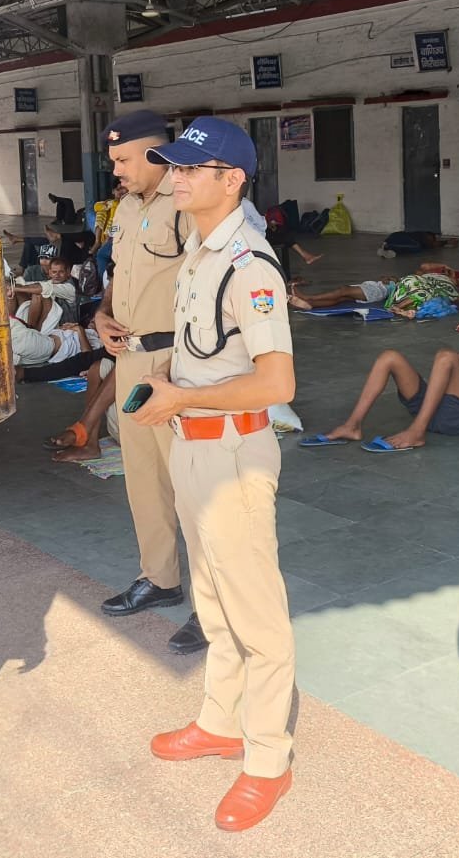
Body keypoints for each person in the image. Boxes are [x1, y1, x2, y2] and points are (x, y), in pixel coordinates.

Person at [134, 116, 298, 832]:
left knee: (257, 614)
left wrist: (183, 397)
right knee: (213, 598)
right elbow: (209, 355)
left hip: (233, 452)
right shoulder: (201, 254)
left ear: (231, 180)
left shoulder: (250, 265)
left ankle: (267, 760)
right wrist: (172, 382)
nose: (174, 178)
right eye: (172, 167)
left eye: (188, 169)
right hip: (193, 444)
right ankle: (220, 722)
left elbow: (277, 382)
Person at [89, 111, 207, 655]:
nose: (116, 170)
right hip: (131, 358)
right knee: (143, 478)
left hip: (176, 362)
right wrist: (101, 315)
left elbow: (211, 285)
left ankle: (211, 605)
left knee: (193, 485)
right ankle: (160, 579)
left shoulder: (188, 204)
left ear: (157, 153)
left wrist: (191, 366)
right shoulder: (128, 207)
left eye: (123, 160)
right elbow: (120, 273)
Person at [306, 347, 459, 452]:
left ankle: (416, 432)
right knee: (389, 356)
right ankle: (352, 426)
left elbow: (452, 358)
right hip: (433, 407)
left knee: (446, 356)